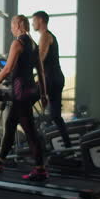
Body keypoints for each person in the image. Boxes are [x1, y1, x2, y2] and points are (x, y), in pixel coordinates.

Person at [0, 15, 50, 181]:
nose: (11, 29)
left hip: (21, 92)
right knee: (10, 124)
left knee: (30, 130)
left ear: (17, 25)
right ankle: (0, 160)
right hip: (32, 90)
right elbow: (41, 72)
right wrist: (44, 94)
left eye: (11, 25)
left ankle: (40, 169)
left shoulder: (17, 43)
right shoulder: (33, 45)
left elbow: (7, 69)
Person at [32, 11, 72, 148]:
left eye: (34, 20)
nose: (32, 23)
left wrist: (25, 69)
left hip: (50, 78)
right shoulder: (50, 36)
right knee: (56, 115)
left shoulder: (44, 36)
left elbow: (40, 59)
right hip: (57, 77)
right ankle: (68, 145)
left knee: (23, 103)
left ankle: (35, 144)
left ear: (41, 20)